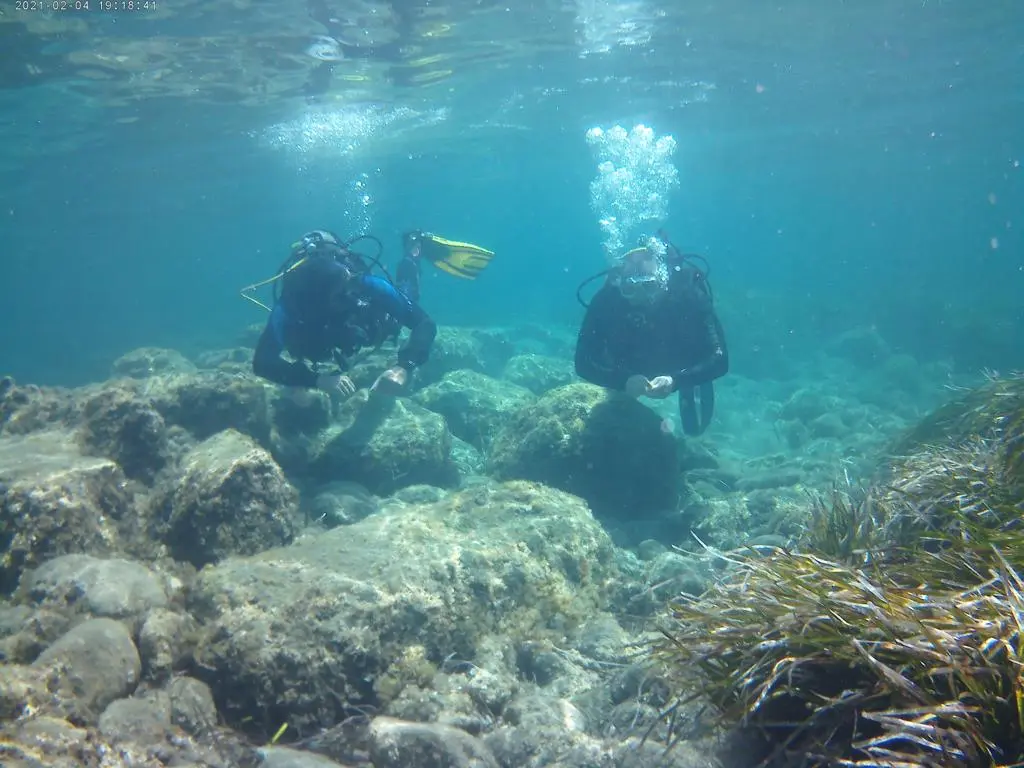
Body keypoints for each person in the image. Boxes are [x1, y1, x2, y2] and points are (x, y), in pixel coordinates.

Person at [251, 230, 436, 397]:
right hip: (320, 342)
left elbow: (424, 322)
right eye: (341, 294)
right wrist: (315, 380)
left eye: (350, 285)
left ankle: (412, 253)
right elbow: (262, 362)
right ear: (318, 297)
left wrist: (404, 367)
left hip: (369, 328)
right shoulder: (292, 303)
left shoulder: (362, 283)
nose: (350, 295)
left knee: (405, 294)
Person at [574, 241, 728, 436]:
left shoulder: (688, 295)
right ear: (619, 283)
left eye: (649, 286)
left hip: (680, 362)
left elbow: (720, 360)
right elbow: (582, 362)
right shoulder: (607, 300)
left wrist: (676, 381)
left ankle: (690, 386)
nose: (639, 297)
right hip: (626, 365)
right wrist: (622, 381)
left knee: (695, 429)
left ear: (664, 281)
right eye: (630, 288)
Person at [397, 230, 496, 302]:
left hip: (435, 252)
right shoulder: (410, 263)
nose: (415, 251)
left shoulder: (412, 261)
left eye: (416, 246)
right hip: (434, 253)